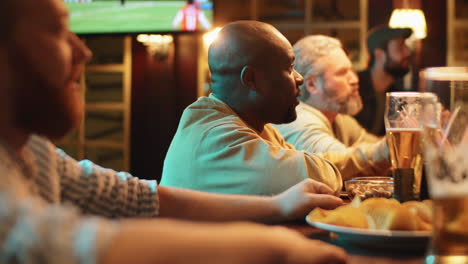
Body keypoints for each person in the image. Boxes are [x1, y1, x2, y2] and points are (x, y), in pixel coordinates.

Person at [0, 0, 348, 263]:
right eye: (57, 31)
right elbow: (45, 243)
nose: (83, 50)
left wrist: (278, 206)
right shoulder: (212, 126)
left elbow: (139, 199)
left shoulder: (34, 151)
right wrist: (279, 249)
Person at [161, 21, 343, 196]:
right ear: (250, 79)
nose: (299, 78)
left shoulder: (253, 125)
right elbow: (322, 178)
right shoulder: (216, 138)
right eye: (289, 68)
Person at [272, 35, 390, 180]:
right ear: (312, 85)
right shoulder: (299, 120)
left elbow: (372, 145)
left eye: (351, 70)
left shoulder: (338, 118)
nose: (354, 79)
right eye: (342, 73)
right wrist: (393, 146)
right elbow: (337, 168)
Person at [354, 25, 413, 136]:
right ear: (379, 55)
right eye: (400, 47)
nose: (408, 52)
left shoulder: (397, 96)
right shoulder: (353, 88)